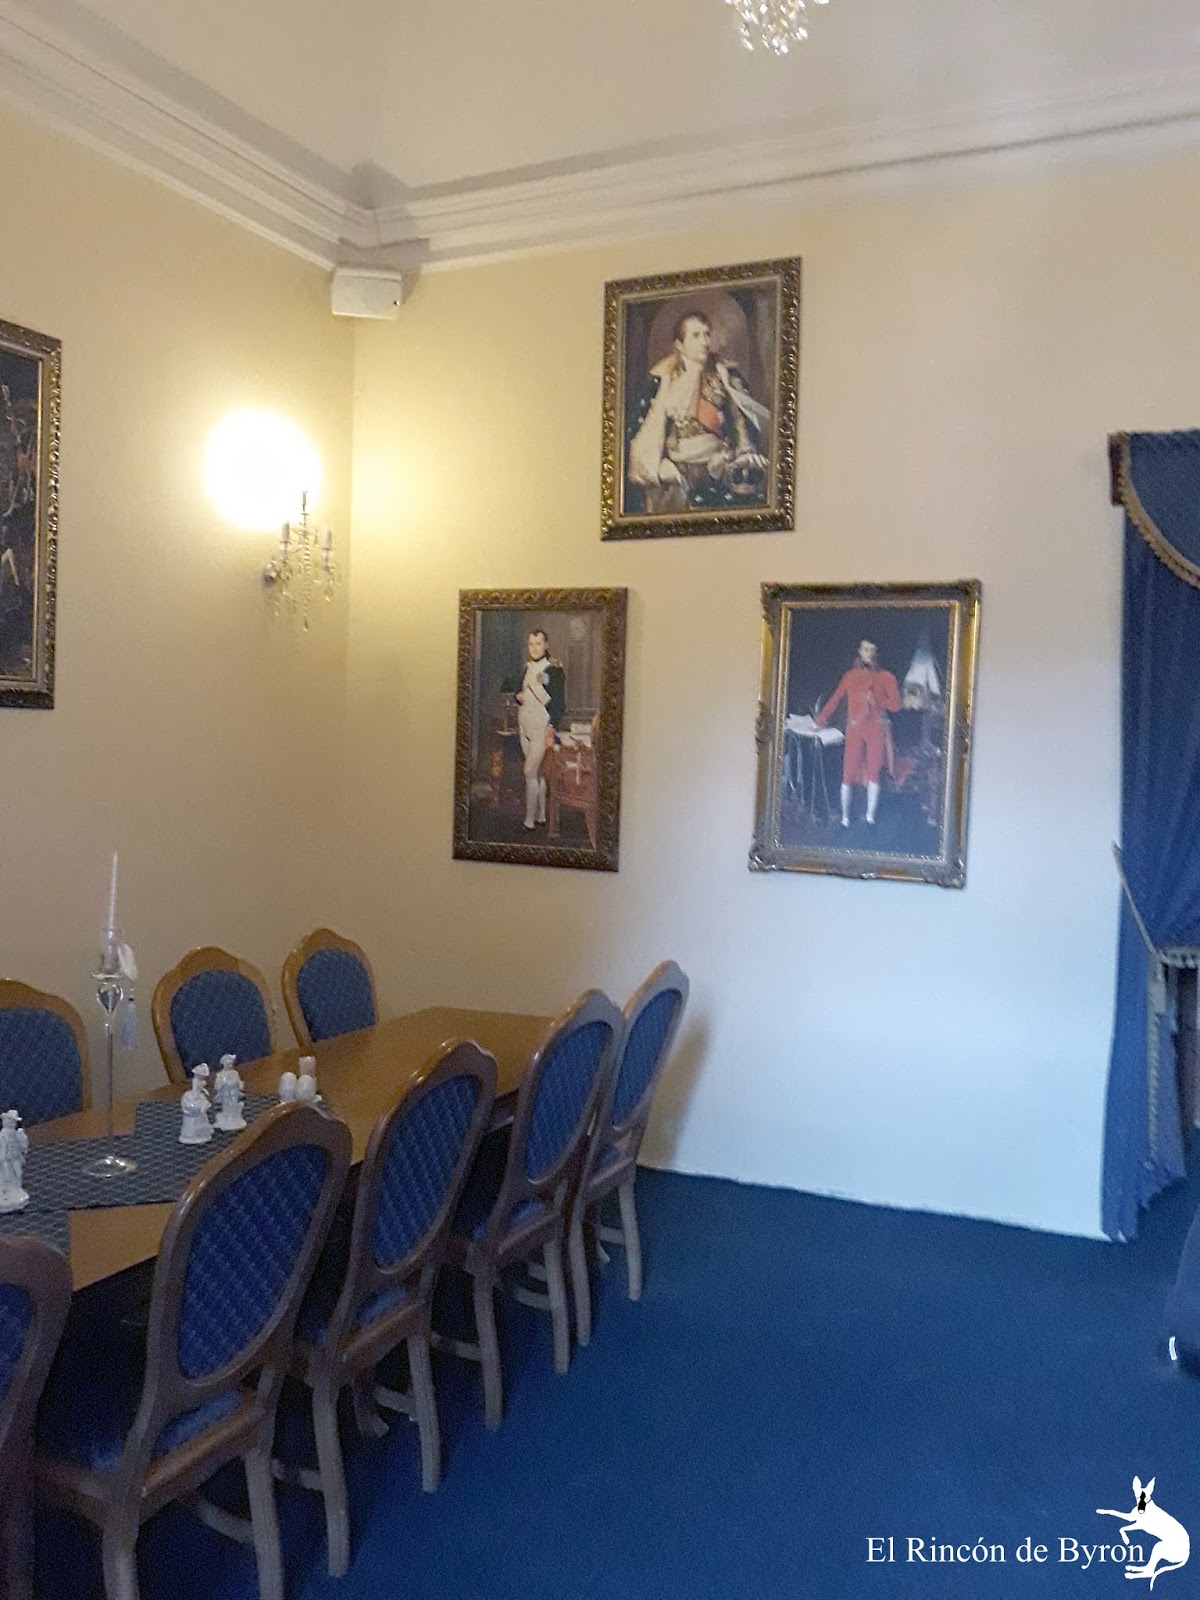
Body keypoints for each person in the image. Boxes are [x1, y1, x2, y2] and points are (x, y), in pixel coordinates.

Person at [626, 311, 770, 514]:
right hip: (675, 470)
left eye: (706, 334)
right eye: (696, 335)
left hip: (717, 468)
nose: (704, 342)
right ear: (679, 344)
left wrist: (745, 451)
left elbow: (741, 421)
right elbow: (645, 429)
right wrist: (658, 466)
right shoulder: (662, 379)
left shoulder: (726, 376)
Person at [816, 639, 901, 828]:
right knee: (848, 773)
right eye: (865, 649)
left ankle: (870, 818)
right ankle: (845, 818)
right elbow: (836, 698)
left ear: (876, 653)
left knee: (874, 773)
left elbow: (896, 705)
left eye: (872, 649)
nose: (869, 652)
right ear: (860, 651)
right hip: (855, 729)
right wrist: (821, 719)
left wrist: (878, 701)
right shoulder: (850, 676)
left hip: (875, 729)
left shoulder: (886, 677)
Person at [516, 628, 565, 831]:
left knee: (529, 771)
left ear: (546, 645)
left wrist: (552, 726)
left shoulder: (553, 669)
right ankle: (541, 815)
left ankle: (529, 821)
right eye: (531, 644)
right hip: (524, 725)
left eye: (538, 643)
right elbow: (521, 691)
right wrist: (518, 696)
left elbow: (559, 703)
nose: (535, 648)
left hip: (540, 727)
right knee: (538, 773)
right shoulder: (527, 667)